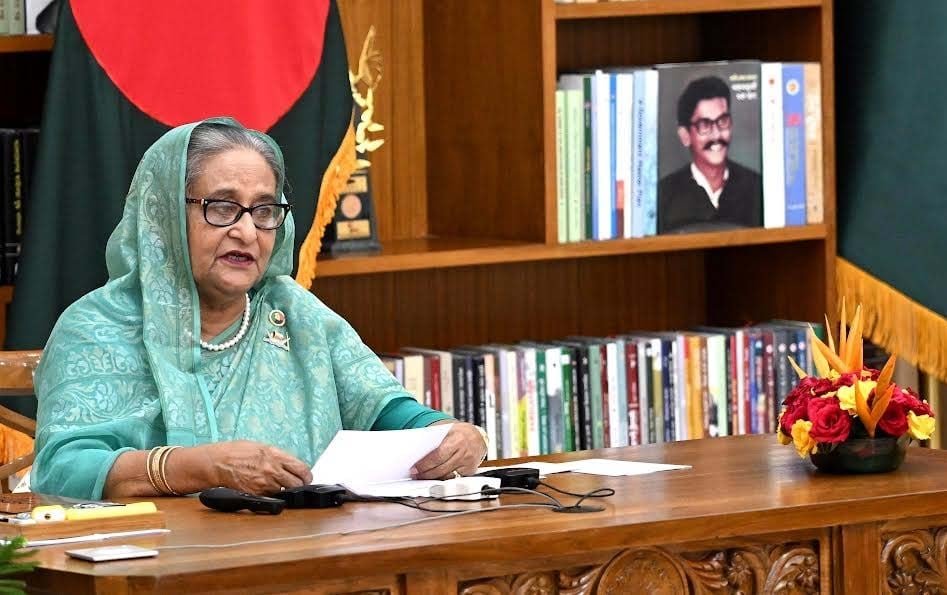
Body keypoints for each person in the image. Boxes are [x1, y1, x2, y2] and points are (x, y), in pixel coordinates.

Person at [32, 117, 488, 500]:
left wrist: (457, 436)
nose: (248, 232)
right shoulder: (96, 328)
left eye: (265, 211)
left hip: (303, 551)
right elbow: (63, 470)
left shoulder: (295, 313)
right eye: (222, 207)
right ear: (165, 215)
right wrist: (204, 467)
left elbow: (390, 412)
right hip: (154, 558)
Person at [658, 76, 762, 234]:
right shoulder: (664, 195)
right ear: (685, 135)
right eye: (704, 125)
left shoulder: (757, 186)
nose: (716, 134)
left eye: (723, 121)